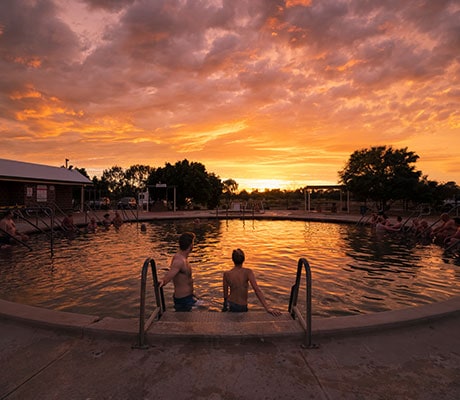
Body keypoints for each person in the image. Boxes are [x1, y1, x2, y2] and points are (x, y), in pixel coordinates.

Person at [222, 248, 281, 316]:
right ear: (243, 259)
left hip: (231, 304)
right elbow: (257, 290)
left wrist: (224, 307)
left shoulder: (226, 274)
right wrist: (267, 308)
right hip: (242, 306)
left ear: (232, 260)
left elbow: (225, 295)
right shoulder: (248, 272)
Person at [159, 232, 198, 312]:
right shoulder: (179, 261)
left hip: (189, 297)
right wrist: (162, 281)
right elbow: (169, 276)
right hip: (183, 300)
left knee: (205, 306)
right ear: (191, 245)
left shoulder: (183, 258)